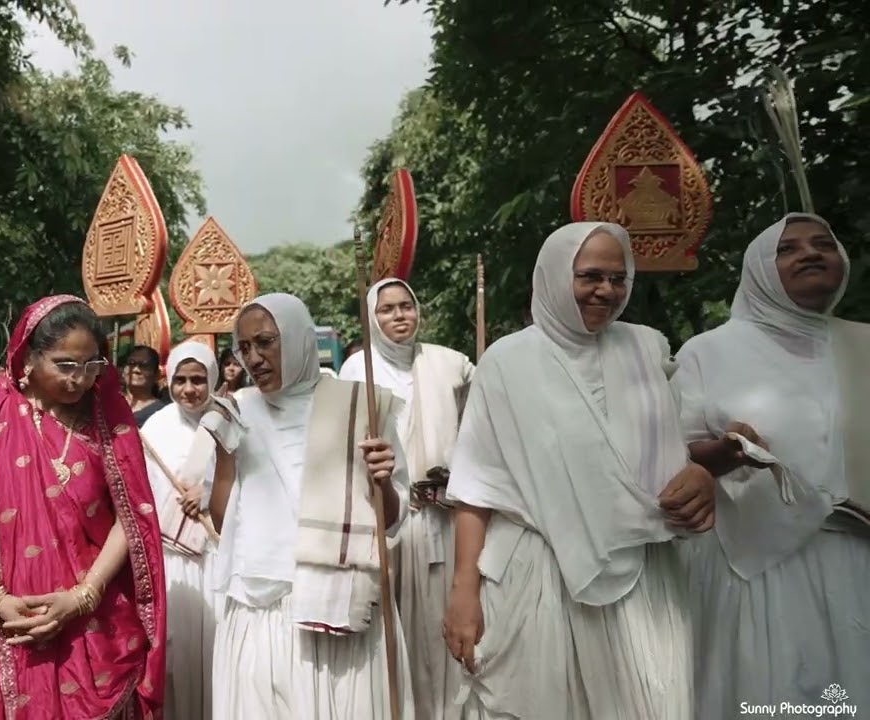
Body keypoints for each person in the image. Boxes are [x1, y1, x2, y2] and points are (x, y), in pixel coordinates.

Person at [442, 222, 712, 719]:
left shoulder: (645, 349)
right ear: (553, 276)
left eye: (618, 278)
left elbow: (669, 455)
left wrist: (698, 476)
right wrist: (463, 592)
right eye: (590, 276)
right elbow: (477, 489)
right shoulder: (507, 362)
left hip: (643, 578)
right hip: (539, 575)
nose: (606, 290)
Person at [673, 213, 870, 716]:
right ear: (759, 269)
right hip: (757, 565)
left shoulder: (863, 346)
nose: (811, 253)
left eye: (823, 243)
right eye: (788, 248)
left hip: (857, 557)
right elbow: (673, 454)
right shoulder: (710, 352)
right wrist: (725, 452)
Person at [0, 295, 165, 719]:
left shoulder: (108, 416)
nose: (79, 379)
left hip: (95, 610)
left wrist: (84, 596)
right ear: (28, 357)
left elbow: (130, 515)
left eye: (91, 365)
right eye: (65, 365)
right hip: (5, 606)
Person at [206, 292, 413, 719]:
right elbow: (223, 521)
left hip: (340, 601)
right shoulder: (239, 411)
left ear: (298, 337)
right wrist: (225, 451)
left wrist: (383, 481)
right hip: (262, 606)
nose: (254, 358)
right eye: (244, 348)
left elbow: (390, 522)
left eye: (265, 342)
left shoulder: (360, 406)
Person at [340, 278, 473, 720]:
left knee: (445, 625)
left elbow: (478, 431)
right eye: (387, 309)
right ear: (371, 317)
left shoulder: (451, 365)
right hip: (386, 521)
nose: (399, 315)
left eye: (406, 306)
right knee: (393, 633)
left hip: (445, 519)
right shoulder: (357, 371)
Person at [139, 341, 219, 719]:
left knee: (216, 651)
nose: (189, 389)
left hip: (218, 559)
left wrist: (209, 491)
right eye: (181, 380)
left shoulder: (227, 422)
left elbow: (248, 482)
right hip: (172, 562)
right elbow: (141, 492)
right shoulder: (155, 427)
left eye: (198, 380)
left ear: (212, 379)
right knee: (176, 654)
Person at [122, 345, 168, 426]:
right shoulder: (109, 404)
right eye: (131, 364)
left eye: (144, 365)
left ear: (157, 375)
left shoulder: (162, 413)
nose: (136, 370)